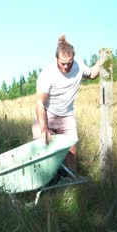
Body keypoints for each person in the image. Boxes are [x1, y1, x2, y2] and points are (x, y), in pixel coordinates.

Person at [32, 34, 105, 173]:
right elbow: (39, 103)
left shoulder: (78, 65)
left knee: (71, 153)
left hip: (66, 116)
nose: (66, 67)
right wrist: (43, 129)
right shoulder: (47, 74)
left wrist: (103, 58)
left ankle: (70, 183)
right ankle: (44, 185)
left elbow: (92, 74)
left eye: (69, 63)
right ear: (56, 59)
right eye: (62, 63)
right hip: (46, 114)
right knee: (43, 153)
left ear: (73, 58)